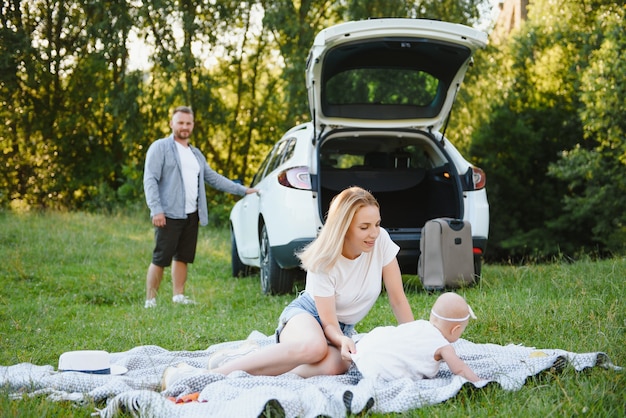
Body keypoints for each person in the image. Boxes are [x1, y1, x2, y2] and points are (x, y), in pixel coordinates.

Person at [161, 186, 415, 387]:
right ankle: (213, 373)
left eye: (377, 224)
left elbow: (398, 299)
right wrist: (340, 339)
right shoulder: (324, 260)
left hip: (343, 327)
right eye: (364, 227)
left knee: (336, 367)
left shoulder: (381, 241)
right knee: (314, 348)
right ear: (345, 227)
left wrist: (415, 340)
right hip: (308, 316)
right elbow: (327, 323)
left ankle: (251, 365)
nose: (374, 233)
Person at [143, 106, 257, 308]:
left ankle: (178, 296)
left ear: (192, 125)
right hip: (168, 214)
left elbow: (213, 178)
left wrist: (242, 190)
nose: (184, 127)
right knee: (160, 258)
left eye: (188, 123)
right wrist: (156, 209)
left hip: (191, 214)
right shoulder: (160, 147)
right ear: (172, 124)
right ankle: (150, 300)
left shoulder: (195, 154)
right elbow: (150, 179)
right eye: (180, 123)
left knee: (183, 257)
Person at [350, 292, 481, 382]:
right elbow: (460, 369)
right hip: (378, 370)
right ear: (455, 330)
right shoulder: (444, 347)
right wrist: (479, 381)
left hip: (365, 346)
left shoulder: (419, 325)